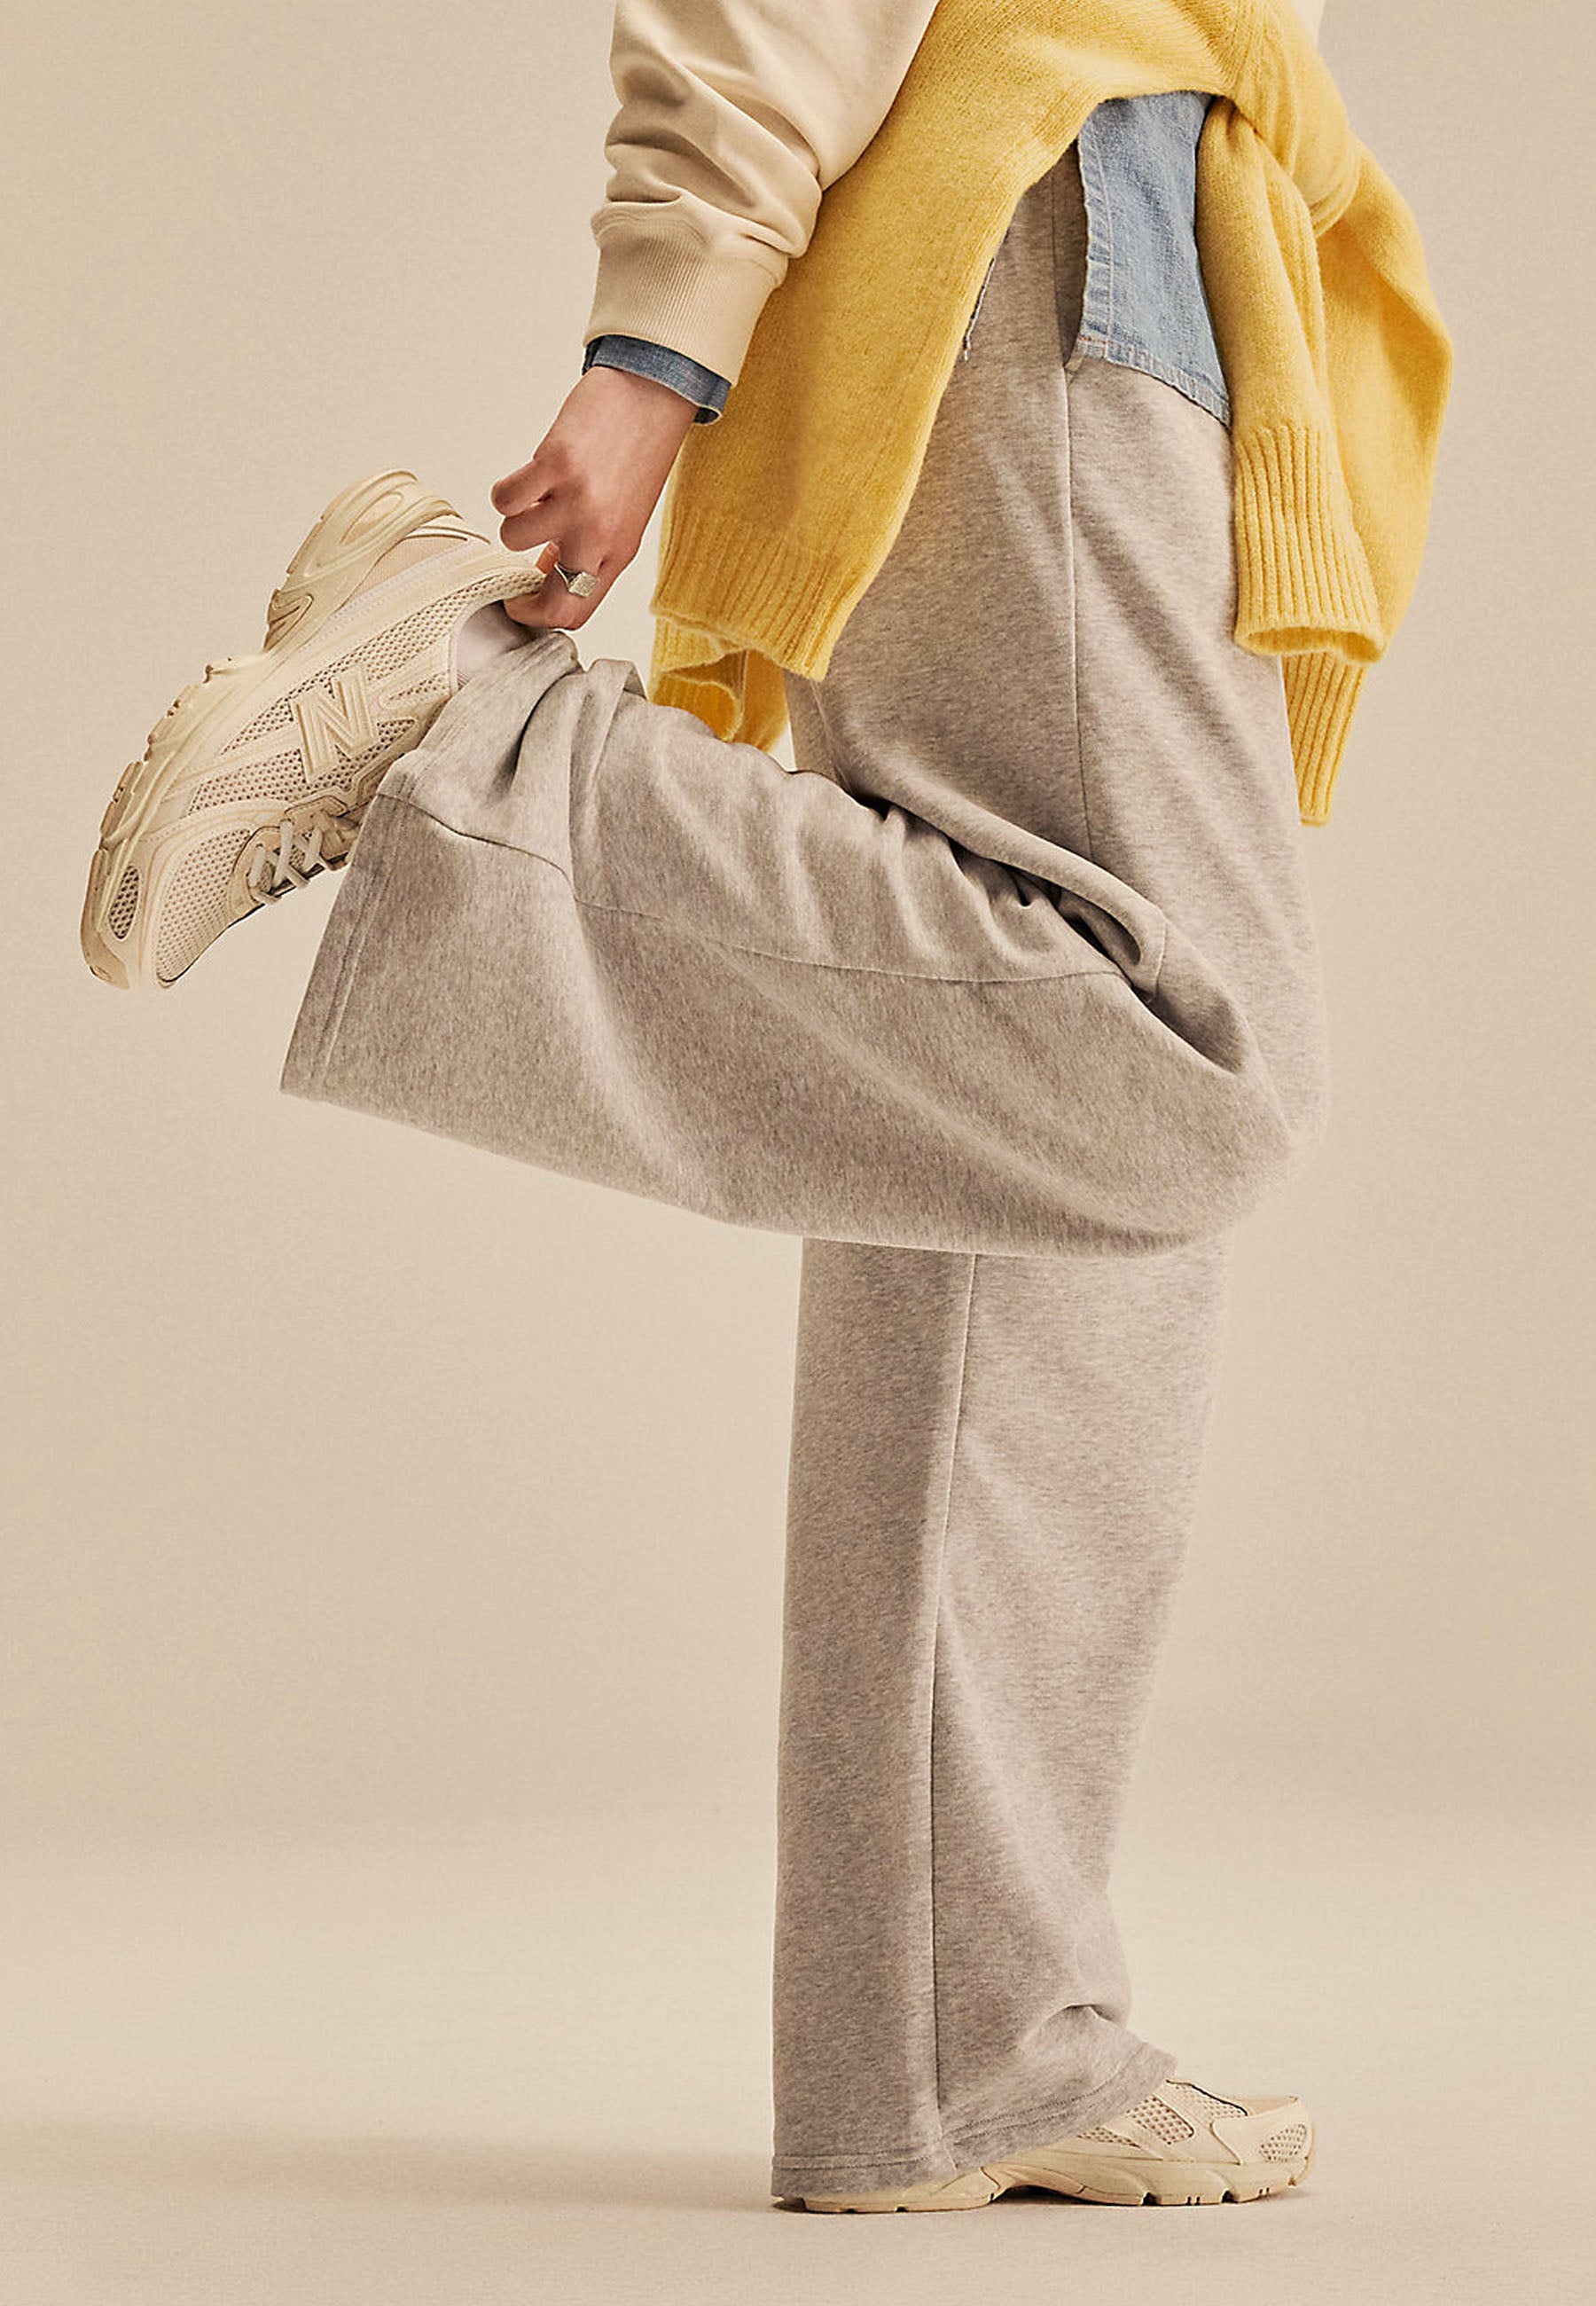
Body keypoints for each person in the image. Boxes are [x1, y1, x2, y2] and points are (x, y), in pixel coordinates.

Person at [80, 0, 1356, 2215]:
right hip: (1047, 203)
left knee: (1025, 1169)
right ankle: (459, 745)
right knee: (1185, 1055)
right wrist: (656, 345)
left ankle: (951, 2049)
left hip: (1117, 209)